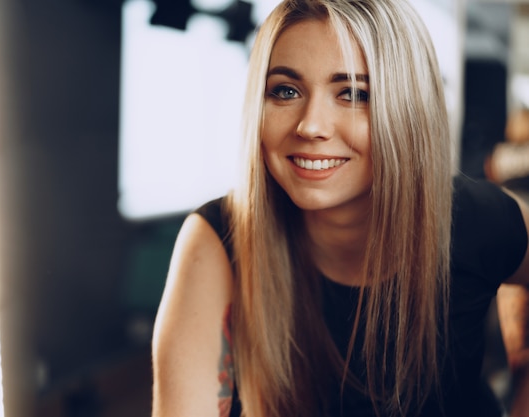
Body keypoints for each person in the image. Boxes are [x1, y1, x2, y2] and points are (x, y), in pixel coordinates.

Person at [150, 1, 529, 416]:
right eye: (285, 91)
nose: (311, 125)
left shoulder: (475, 219)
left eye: (353, 94)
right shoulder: (218, 240)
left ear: (406, 112)